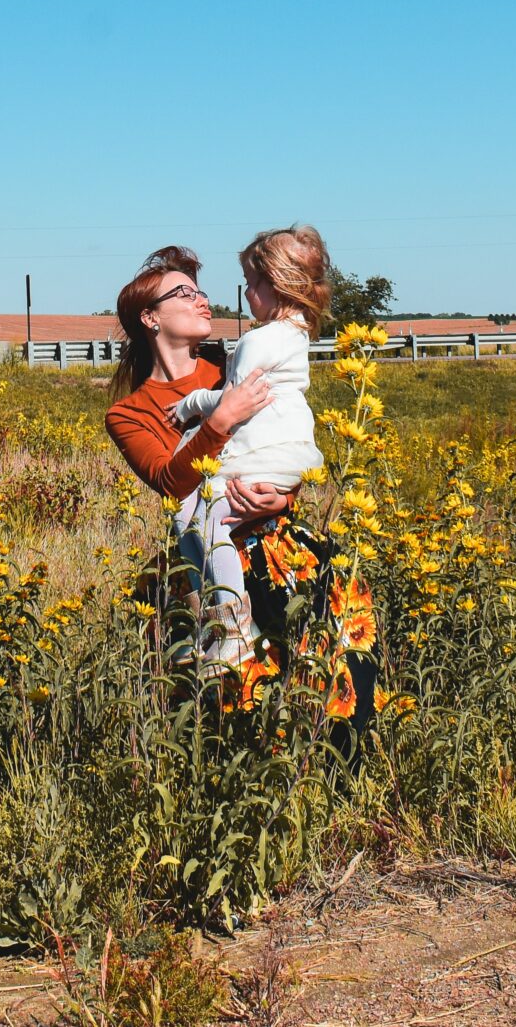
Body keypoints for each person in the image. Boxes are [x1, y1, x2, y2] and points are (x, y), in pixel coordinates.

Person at [103, 245, 377, 735]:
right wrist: (221, 418)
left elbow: (283, 437)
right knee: (234, 708)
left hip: (276, 543)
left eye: (200, 290)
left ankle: (343, 788)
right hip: (211, 559)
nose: (202, 300)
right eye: (184, 293)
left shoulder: (236, 364)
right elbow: (170, 483)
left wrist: (284, 496)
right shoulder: (131, 413)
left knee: (333, 669)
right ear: (150, 317)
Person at [165, 227, 331, 660]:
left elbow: (238, 400)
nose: (245, 293)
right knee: (185, 515)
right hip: (282, 453)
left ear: (278, 285)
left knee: (208, 523)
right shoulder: (293, 335)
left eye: (252, 284)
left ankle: (231, 629)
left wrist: (193, 403)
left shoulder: (260, 339)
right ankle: (209, 620)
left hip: (262, 453)